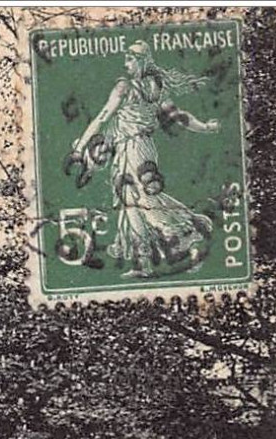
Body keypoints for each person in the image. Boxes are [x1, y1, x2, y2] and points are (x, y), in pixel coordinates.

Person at [69, 42, 220, 279]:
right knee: (132, 204)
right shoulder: (155, 87)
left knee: (142, 201)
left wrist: (79, 147)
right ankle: (143, 263)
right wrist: (206, 127)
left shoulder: (124, 87)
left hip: (133, 148)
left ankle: (185, 232)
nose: (125, 64)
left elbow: (103, 117)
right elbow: (179, 117)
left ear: (140, 61)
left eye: (129, 60)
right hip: (141, 148)